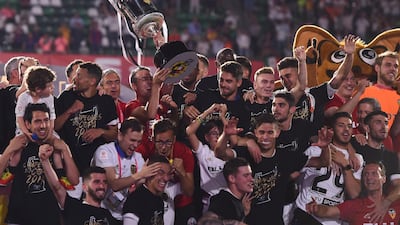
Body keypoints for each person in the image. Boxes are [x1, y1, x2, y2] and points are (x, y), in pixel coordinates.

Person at [215, 113, 332, 225]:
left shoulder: (286, 156)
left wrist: (325, 147)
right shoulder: (245, 154)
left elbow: (323, 162)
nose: (265, 137)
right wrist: (225, 135)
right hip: (247, 221)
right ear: (255, 133)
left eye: (270, 132)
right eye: (261, 132)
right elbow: (220, 154)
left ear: (278, 133)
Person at [1, 103, 79, 225]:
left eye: (46, 120)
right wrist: (10, 149)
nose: (43, 125)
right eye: (37, 121)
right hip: (18, 219)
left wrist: (65, 149)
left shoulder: (56, 146)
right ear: (28, 124)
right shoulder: (19, 146)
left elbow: (74, 180)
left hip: (49, 218)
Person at [55, 62, 118, 198]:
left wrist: (101, 132)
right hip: (70, 168)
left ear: (92, 81)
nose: (74, 79)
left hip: (97, 170)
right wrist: (70, 111)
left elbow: (114, 134)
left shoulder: (106, 101)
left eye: (79, 76)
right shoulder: (66, 97)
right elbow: (54, 127)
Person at [293, 112, 364, 225]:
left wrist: (345, 165)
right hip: (306, 213)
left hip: (332, 219)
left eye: (349, 126)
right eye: (341, 125)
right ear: (332, 129)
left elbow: (354, 193)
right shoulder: (315, 150)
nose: (346, 129)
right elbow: (294, 178)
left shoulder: (357, 159)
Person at [277, 35, 358, 129]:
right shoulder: (277, 100)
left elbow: (340, 77)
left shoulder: (316, 94)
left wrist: (349, 55)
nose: (285, 81)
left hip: (316, 143)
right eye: (281, 78)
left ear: (299, 72)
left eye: (288, 76)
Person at [92, 118, 162, 221]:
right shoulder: (105, 152)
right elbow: (114, 185)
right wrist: (140, 175)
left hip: (124, 214)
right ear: (120, 136)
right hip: (101, 212)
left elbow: (140, 184)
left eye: (138, 142)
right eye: (132, 140)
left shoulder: (138, 158)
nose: (135, 145)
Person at [40, 144, 120, 225]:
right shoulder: (74, 207)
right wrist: (44, 160)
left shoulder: (107, 215)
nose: (102, 186)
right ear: (84, 187)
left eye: (105, 182)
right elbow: (57, 187)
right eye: (96, 182)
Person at [137, 118, 195, 225]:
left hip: (180, 202)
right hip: (152, 200)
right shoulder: (145, 150)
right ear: (153, 139)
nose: (163, 147)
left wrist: (181, 173)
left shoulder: (184, 152)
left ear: (174, 139)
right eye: (159, 142)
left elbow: (189, 192)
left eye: (168, 142)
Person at [306, 162, 400, 225]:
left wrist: (386, 202)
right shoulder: (355, 206)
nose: (369, 177)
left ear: (384, 179)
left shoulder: (395, 204)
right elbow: (327, 211)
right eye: (366, 174)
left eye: (374, 174)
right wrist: (316, 208)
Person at [186, 103, 228, 212]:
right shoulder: (203, 151)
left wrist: (223, 117)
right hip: (209, 203)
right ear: (206, 137)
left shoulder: (229, 152)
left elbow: (230, 133)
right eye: (214, 133)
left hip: (228, 201)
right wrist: (208, 111)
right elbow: (190, 131)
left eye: (220, 133)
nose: (217, 136)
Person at [122, 155, 173, 225]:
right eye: (161, 173)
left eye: (168, 174)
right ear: (149, 173)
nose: (166, 178)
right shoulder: (135, 199)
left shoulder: (159, 200)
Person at [360, 51, 400, 129]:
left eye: (396, 66)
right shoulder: (364, 92)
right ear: (377, 68)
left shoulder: (398, 95)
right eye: (388, 65)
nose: (393, 69)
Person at [207, 157, 254, 224]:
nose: (252, 179)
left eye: (250, 175)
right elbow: (207, 222)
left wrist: (243, 213)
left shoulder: (239, 202)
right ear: (232, 178)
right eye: (246, 176)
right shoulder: (221, 200)